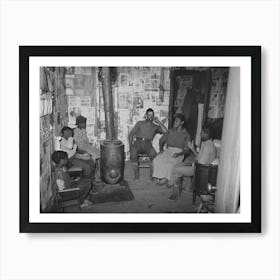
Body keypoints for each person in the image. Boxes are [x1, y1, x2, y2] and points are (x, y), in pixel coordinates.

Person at [169, 126, 216, 200]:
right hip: (200, 168)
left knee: (177, 169)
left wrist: (189, 163)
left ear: (207, 134)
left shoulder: (208, 146)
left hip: (201, 172)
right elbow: (199, 157)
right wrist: (192, 148)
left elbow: (200, 163)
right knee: (179, 165)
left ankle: (176, 192)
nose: (200, 134)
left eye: (202, 133)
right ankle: (181, 186)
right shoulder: (207, 143)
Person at [152, 113, 191, 187]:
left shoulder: (186, 135)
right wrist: (161, 150)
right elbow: (161, 140)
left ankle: (167, 179)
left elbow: (187, 150)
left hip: (179, 152)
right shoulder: (170, 131)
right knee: (157, 160)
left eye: (176, 121)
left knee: (170, 163)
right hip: (168, 150)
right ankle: (161, 176)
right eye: (174, 121)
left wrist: (179, 154)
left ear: (182, 123)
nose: (174, 123)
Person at [129, 108, 167, 179]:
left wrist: (159, 122)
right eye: (149, 115)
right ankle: (136, 176)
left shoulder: (155, 126)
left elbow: (166, 132)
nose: (150, 117)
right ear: (146, 115)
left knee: (155, 158)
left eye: (152, 115)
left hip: (148, 144)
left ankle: (151, 176)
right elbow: (131, 134)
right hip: (138, 142)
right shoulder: (140, 123)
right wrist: (130, 146)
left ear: (153, 116)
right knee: (133, 155)